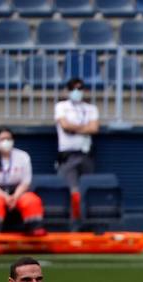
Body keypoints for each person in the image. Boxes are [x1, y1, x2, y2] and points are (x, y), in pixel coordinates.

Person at [0, 128, 44, 235]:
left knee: (31, 200)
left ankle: (35, 231)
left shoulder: (23, 156)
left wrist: (15, 197)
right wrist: (5, 197)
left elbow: (26, 182)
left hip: (18, 191)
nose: (6, 142)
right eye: (2, 139)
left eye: (8, 139)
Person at [53, 77, 99, 213]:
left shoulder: (91, 108)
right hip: (68, 155)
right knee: (70, 191)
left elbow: (94, 129)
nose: (76, 91)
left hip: (86, 154)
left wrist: (75, 129)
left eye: (79, 89)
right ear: (68, 91)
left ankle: (84, 224)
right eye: (73, 89)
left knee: (87, 191)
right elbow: (65, 126)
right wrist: (85, 128)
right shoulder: (61, 106)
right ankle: (71, 226)